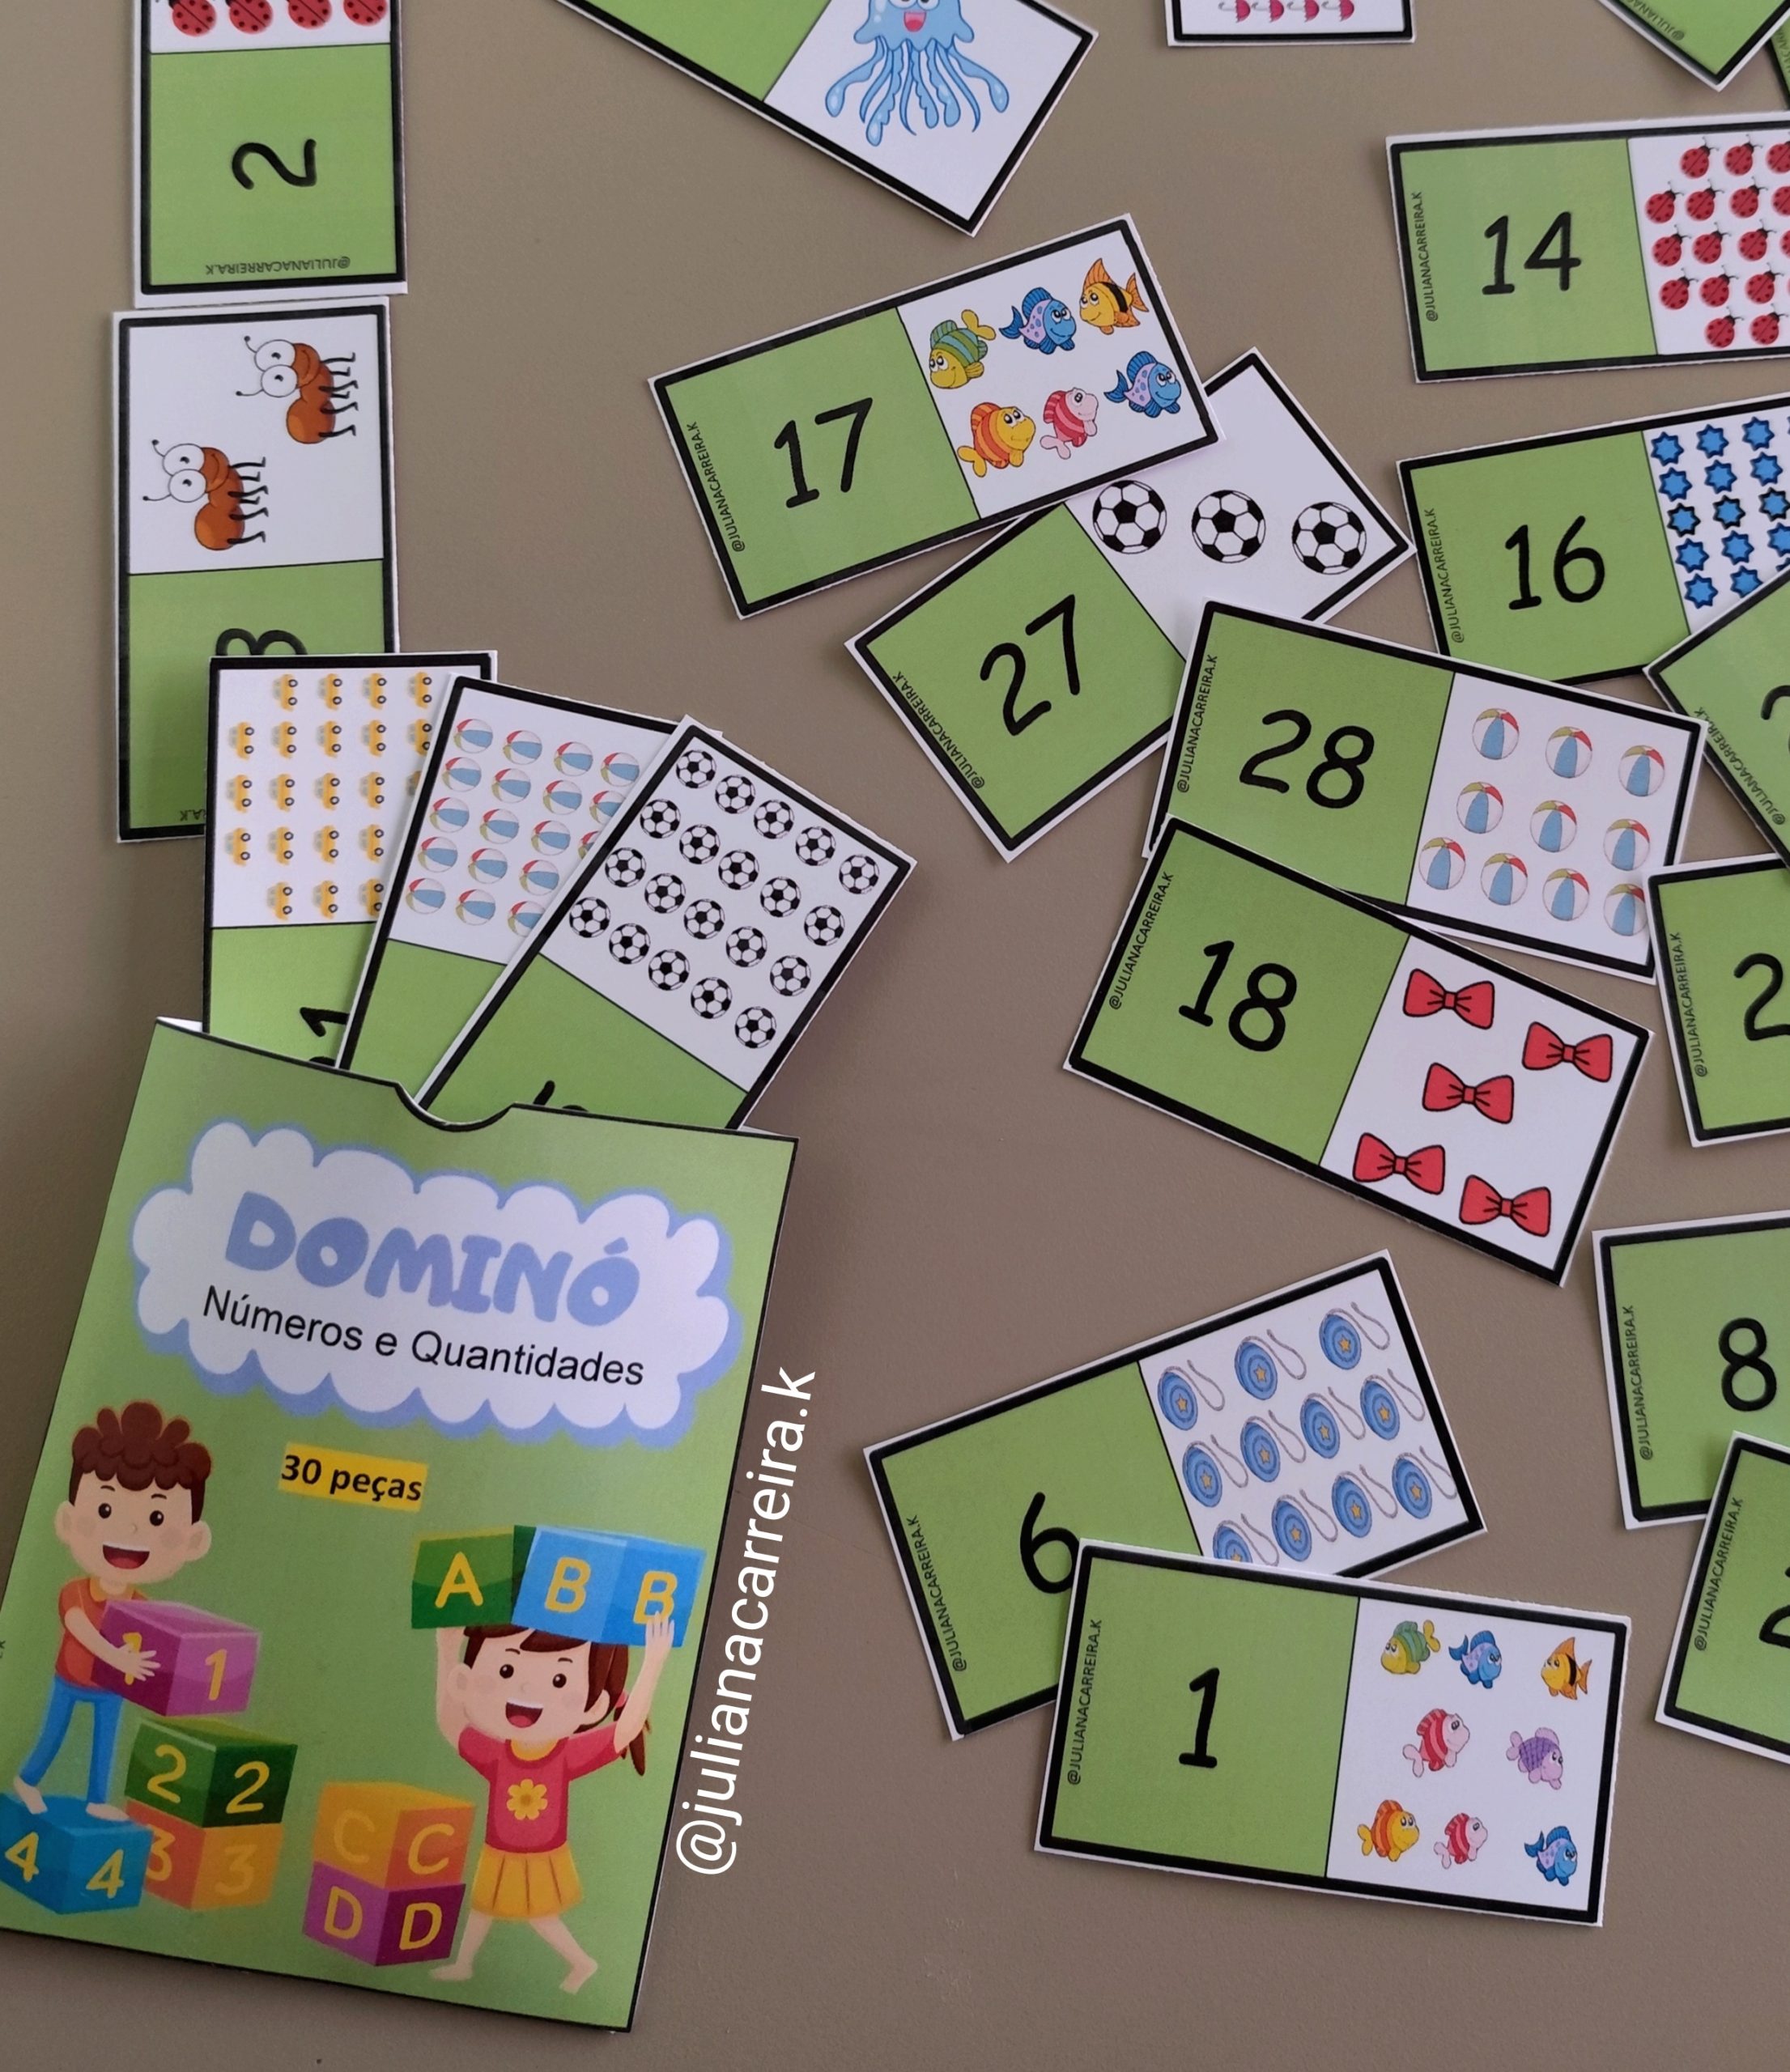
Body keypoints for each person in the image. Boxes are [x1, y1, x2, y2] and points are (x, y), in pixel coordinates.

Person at [431, 1612, 672, 1993]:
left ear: (595, 1707)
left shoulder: (564, 1756)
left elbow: (624, 1731)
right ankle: (465, 1964)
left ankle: (581, 1962)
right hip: (499, 1851)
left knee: (538, 1915)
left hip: (539, 1856)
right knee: (484, 1906)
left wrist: (654, 1663)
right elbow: (451, 1723)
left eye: (559, 1679)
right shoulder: (497, 1754)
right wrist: (446, 1651)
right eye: (506, 1670)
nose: (526, 1686)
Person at [13, 1400, 213, 1819]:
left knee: (106, 1742)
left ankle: (98, 1801)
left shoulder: (141, 1605)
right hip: (69, 1679)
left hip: (112, 1689)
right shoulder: (75, 1590)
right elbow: (79, 1627)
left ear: (194, 1541)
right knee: (53, 1734)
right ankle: (27, 1780)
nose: (132, 1528)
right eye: (105, 1510)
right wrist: (118, 1657)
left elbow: (155, 1647)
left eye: (157, 1517)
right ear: (68, 1521)